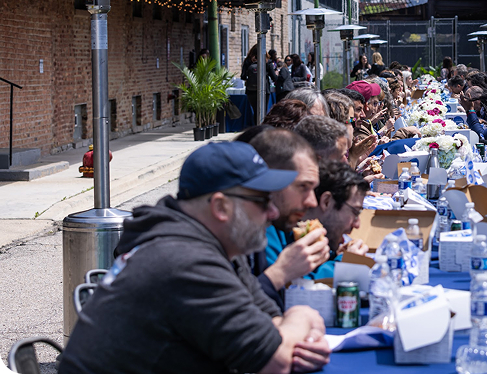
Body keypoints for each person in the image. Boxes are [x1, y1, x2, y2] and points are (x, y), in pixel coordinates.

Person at [59, 141, 330, 374]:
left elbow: (270, 322)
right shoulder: (185, 261)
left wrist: (288, 334)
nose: (272, 212)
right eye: (262, 201)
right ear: (221, 207)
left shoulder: (218, 247)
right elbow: (276, 361)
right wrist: (301, 314)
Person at [246, 129, 330, 310]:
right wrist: (281, 272)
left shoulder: (263, 227)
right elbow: (230, 316)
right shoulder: (215, 240)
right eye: (303, 187)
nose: (311, 202)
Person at [302, 159, 371, 279]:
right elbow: (299, 285)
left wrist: (335, 256)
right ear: (327, 202)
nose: (357, 224)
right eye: (355, 211)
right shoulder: (279, 234)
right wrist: (344, 264)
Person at [242, 44, 272, 126]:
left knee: (256, 110)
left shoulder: (247, 61)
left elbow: (243, 76)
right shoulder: (267, 61)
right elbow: (274, 77)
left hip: (251, 90)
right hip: (264, 89)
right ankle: (262, 127)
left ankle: (256, 127)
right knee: (263, 111)